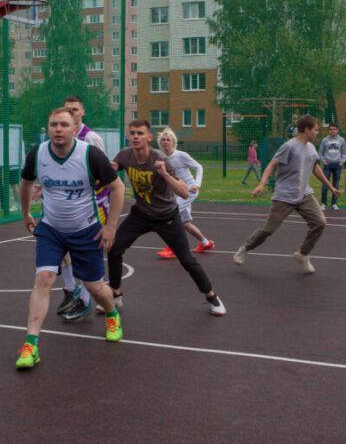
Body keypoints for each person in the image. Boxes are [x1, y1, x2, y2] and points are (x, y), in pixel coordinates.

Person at [15, 107, 125, 369]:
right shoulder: (38, 153)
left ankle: (112, 314)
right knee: (43, 278)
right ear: (48, 128)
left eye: (64, 125)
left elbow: (118, 187)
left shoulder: (89, 154)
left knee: (94, 287)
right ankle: (31, 344)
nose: (58, 129)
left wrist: (110, 227)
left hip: (85, 230)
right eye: (53, 124)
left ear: (75, 129)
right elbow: (26, 182)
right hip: (51, 229)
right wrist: (26, 212)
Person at [105, 119, 226, 316]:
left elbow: (185, 193)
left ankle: (212, 296)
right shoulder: (125, 155)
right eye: (132, 133)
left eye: (140, 133)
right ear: (128, 136)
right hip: (141, 214)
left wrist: (165, 175)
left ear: (149, 138)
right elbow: (111, 170)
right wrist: (105, 168)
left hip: (166, 216)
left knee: (187, 260)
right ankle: (115, 294)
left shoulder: (159, 159)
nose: (136, 136)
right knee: (114, 248)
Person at [233, 115, 340, 274]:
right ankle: (244, 248)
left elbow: (315, 168)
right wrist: (261, 184)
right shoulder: (289, 146)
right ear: (306, 130)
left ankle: (303, 254)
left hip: (304, 194)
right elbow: (272, 164)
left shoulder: (311, 147)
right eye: (316, 129)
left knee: (320, 222)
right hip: (284, 196)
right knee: (269, 229)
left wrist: (330, 187)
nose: (318, 133)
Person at [53, 95, 109, 319]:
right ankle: (70, 289)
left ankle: (85, 300)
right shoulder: (60, 137)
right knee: (57, 249)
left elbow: (105, 173)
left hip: (93, 205)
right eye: (67, 109)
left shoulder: (91, 137)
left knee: (84, 253)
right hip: (65, 205)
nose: (72, 112)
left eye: (75, 109)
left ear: (82, 112)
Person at [155, 129, 213, 257]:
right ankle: (206, 243)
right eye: (163, 140)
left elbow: (199, 167)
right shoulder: (161, 157)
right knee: (185, 223)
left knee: (171, 215)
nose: (165, 142)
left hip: (188, 191)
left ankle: (172, 248)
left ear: (174, 142)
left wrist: (196, 184)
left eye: (168, 140)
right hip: (177, 193)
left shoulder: (181, 155)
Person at [319, 123, 346, 210]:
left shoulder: (341, 140)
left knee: (336, 184)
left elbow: (344, 153)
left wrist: (341, 162)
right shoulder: (325, 140)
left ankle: (334, 203)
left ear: (337, 130)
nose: (332, 131)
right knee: (325, 184)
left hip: (337, 164)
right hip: (327, 165)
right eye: (331, 129)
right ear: (329, 130)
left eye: (334, 129)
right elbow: (320, 153)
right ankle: (323, 203)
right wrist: (324, 161)